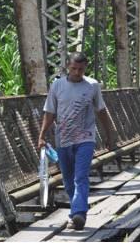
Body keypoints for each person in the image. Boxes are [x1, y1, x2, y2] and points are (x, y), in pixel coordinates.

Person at [38, 52, 116, 230]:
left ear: (85, 68)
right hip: (63, 140)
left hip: (86, 139)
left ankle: (79, 213)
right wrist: (42, 135)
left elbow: (101, 111)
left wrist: (110, 134)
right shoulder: (57, 85)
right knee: (67, 179)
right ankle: (76, 211)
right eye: (74, 68)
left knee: (80, 177)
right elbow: (49, 112)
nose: (77, 72)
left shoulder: (92, 86)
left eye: (80, 69)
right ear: (67, 66)